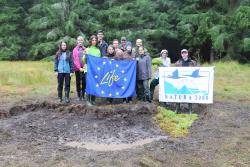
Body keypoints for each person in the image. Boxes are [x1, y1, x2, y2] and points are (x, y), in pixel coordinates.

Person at [175, 49, 198, 114]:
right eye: (182, 53)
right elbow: (173, 70)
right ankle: (177, 108)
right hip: (181, 81)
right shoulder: (178, 62)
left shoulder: (193, 62)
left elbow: (198, 69)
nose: (184, 54)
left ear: (187, 54)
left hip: (189, 81)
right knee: (178, 93)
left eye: (185, 53)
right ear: (181, 54)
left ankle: (190, 109)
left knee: (189, 94)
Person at [85, 35, 101, 106]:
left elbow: (99, 61)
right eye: (93, 40)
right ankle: (88, 100)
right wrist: (85, 55)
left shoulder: (98, 50)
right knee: (89, 84)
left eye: (95, 40)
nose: (94, 41)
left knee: (94, 84)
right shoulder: (87, 49)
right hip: (88, 70)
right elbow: (84, 61)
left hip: (95, 70)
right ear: (90, 41)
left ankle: (93, 100)